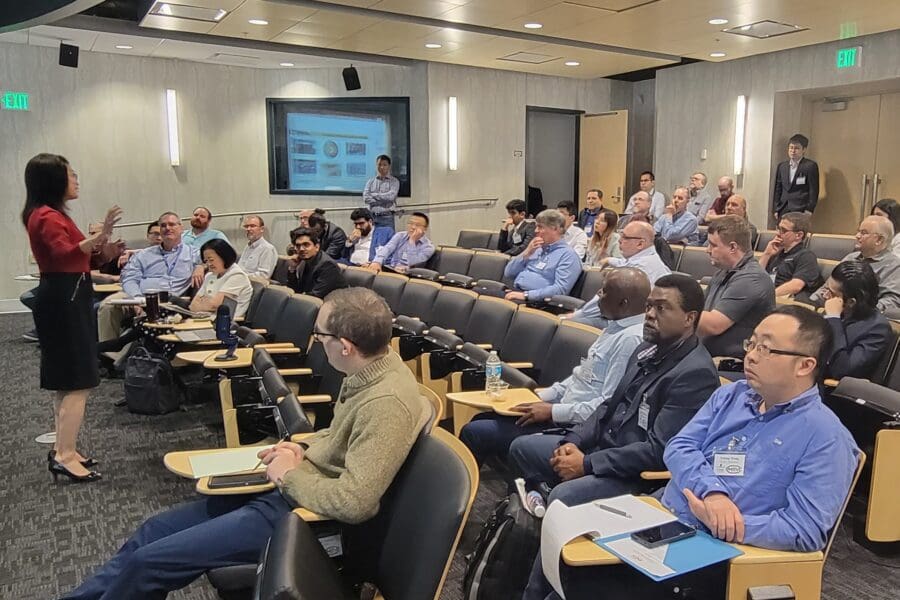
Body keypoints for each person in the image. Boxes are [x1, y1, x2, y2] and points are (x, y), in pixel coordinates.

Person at [61, 287, 431, 600]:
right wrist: (301, 449)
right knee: (153, 532)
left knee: (149, 563)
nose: (315, 341)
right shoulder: (372, 367)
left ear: (346, 346)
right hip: (291, 488)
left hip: (303, 516)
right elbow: (341, 437)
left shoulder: (387, 404)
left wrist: (290, 476)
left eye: (319, 336)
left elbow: (356, 503)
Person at [548, 307, 859, 600]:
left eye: (766, 349)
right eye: (752, 344)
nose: (750, 355)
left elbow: (805, 531)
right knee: (561, 544)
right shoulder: (731, 396)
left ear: (805, 365)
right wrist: (712, 493)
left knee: (582, 580)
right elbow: (680, 447)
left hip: (720, 552)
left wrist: (723, 522)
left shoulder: (826, 438)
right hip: (663, 515)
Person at [517, 274, 719, 600]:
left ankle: (537, 593)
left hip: (638, 476)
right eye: (650, 306)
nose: (650, 314)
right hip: (603, 451)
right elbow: (609, 406)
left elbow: (659, 450)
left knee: (563, 499)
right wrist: (576, 442)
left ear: (689, 318)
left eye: (662, 308)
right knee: (526, 450)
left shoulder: (693, 373)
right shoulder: (646, 348)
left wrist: (588, 464)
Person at [458, 268, 649, 467]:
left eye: (604, 292)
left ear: (623, 303)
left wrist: (552, 411)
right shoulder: (615, 328)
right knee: (483, 418)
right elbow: (580, 378)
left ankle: (505, 493)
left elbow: (606, 405)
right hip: (562, 412)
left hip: (575, 428)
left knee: (477, 432)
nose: (598, 296)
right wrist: (538, 398)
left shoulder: (630, 339)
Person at [21, 153, 122, 483]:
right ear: (53, 180)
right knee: (77, 381)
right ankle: (64, 455)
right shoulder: (46, 216)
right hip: (65, 297)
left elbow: (78, 255)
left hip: (67, 292)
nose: (76, 180)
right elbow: (65, 253)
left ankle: (66, 448)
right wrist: (100, 234)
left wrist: (103, 243)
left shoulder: (47, 213)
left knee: (67, 382)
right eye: (71, 175)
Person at [97, 212, 204, 342]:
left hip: (170, 300)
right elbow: (130, 278)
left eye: (172, 224)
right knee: (107, 306)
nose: (167, 228)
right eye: (163, 225)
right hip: (139, 296)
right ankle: (107, 355)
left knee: (152, 314)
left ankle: (125, 354)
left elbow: (215, 260)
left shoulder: (194, 253)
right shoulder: (144, 255)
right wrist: (137, 299)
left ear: (181, 228)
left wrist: (200, 266)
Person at [569, 221, 671, 328]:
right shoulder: (650, 258)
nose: (619, 240)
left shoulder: (638, 270)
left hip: (634, 325)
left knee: (573, 324)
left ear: (640, 244)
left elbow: (604, 303)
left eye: (625, 237)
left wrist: (574, 316)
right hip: (636, 319)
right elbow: (626, 263)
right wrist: (610, 260)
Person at [700, 216, 775, 359]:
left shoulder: (752, 278)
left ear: (733, 247)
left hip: (734, 363)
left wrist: (673, 311)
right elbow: (700, 310)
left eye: (713, 245)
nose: (707, 250)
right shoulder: (722, 273)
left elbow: (714, 325)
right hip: (708, 356)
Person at [810, 216, 900, 315]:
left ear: (879, 240)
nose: (857, 236)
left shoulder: (894, 266)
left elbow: (891, 301)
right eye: (858, 231)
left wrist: (854, 310)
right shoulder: (850, 257)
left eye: (864, 233)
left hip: (862, 319)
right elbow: (828, 287)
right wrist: (811, 304)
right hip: (831, 310)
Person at [822, 260, 893, 381]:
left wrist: (834, 319)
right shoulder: (837, 312)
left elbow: (841, 369)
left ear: (851, 302)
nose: (825, 296)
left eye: (832, 294)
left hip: (832, 392)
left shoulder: (877, 329)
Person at [502, 209, 582, 302]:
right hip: (517, 292)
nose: (536, 231)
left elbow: (560, 290)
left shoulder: (568, 256)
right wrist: (526, 253)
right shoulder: (536, 249)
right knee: (486, 290)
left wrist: (527, 295)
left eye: (540, 227)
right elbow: (508, 273)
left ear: (555, 228)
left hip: (537, 301)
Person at [758, 212, 823, 300]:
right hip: (765, 295)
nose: (778, 233)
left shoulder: (806, 256)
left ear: (799, 235)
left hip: (782, 300)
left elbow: (796, 285)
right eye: (778, 228)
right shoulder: (776, 252)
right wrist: (767, 254)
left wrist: (767, 296)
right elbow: (755, 276)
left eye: (783, 230)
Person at [189, 239, 253, 319]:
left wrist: (204, 302)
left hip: (224, 324)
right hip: (203, 319)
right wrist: (207, 304)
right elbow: (193, 306)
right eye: (206, 261)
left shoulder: (237, 275)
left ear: (224, 256)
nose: (208, 264)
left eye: (211, 260)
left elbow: (214, 305)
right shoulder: (209, 276)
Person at [285, 227, 346, 298]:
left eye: (306, 245)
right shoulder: (304, 262)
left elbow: (316, 295)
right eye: (298, 246)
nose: (301, 249)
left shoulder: (327, 265)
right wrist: (292, 268)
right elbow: (295, 290)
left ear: (317, 247)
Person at [365, 212, 434, 273]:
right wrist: (377, 262)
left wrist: (412, 241)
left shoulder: (428, 247)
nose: (413, 227)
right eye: (410, 223)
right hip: (392, 270)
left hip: (410, 276)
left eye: (417, 225)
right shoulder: (400, 235)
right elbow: (387, 249)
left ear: (425, 229)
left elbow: (413, 263)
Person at [773, 133, 820, 219]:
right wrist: (776, 208)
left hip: (800, 209)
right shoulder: (782, 166)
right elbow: (778, 189)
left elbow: (814, 190)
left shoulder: (810, 166)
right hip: (783, 208)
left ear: (804, 149)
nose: (793, 151)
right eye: (791, 148)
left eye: (797, 148)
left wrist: (809, 209)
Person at [363, 154, 400, 230]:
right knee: (372, 240)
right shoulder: (370, 181)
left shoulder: (394, 181)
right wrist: (383, 199)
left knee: (388, 241)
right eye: (379, 164)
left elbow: (390, 197)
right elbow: (366, 198)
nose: (382, 167)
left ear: (389, 166)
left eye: (384, 165)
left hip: (387, 217)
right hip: (372, 218)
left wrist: (374, 195)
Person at [236, 214, 278, 279]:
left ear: (262, 229)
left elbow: (263, 276)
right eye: (246, 226)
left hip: (253, 287)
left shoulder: (267, 249)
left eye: (252, 226)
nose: (248, 229)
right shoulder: (248, 247)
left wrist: (241, 277)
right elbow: (240, 268)